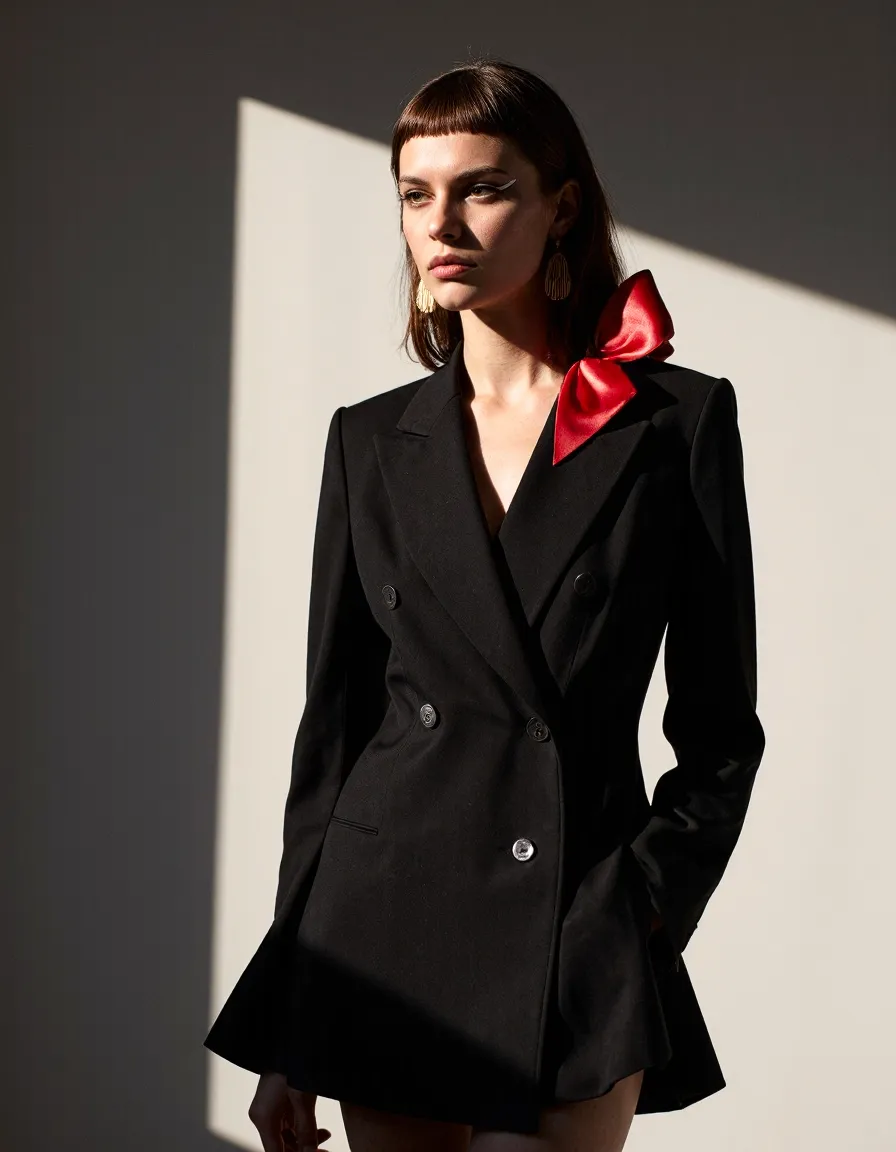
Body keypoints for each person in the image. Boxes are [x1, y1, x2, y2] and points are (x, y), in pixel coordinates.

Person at [204, 57, 766, 1152]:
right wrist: (290, 1015)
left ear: (563, 208)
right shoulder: (370, 440)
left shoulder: (673, 425)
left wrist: (640, 907)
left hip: (571, 919)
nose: (441, 223)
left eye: (484, 188)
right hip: (380, 926)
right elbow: (334, 737)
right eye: (415, 194)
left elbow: (719, 732)